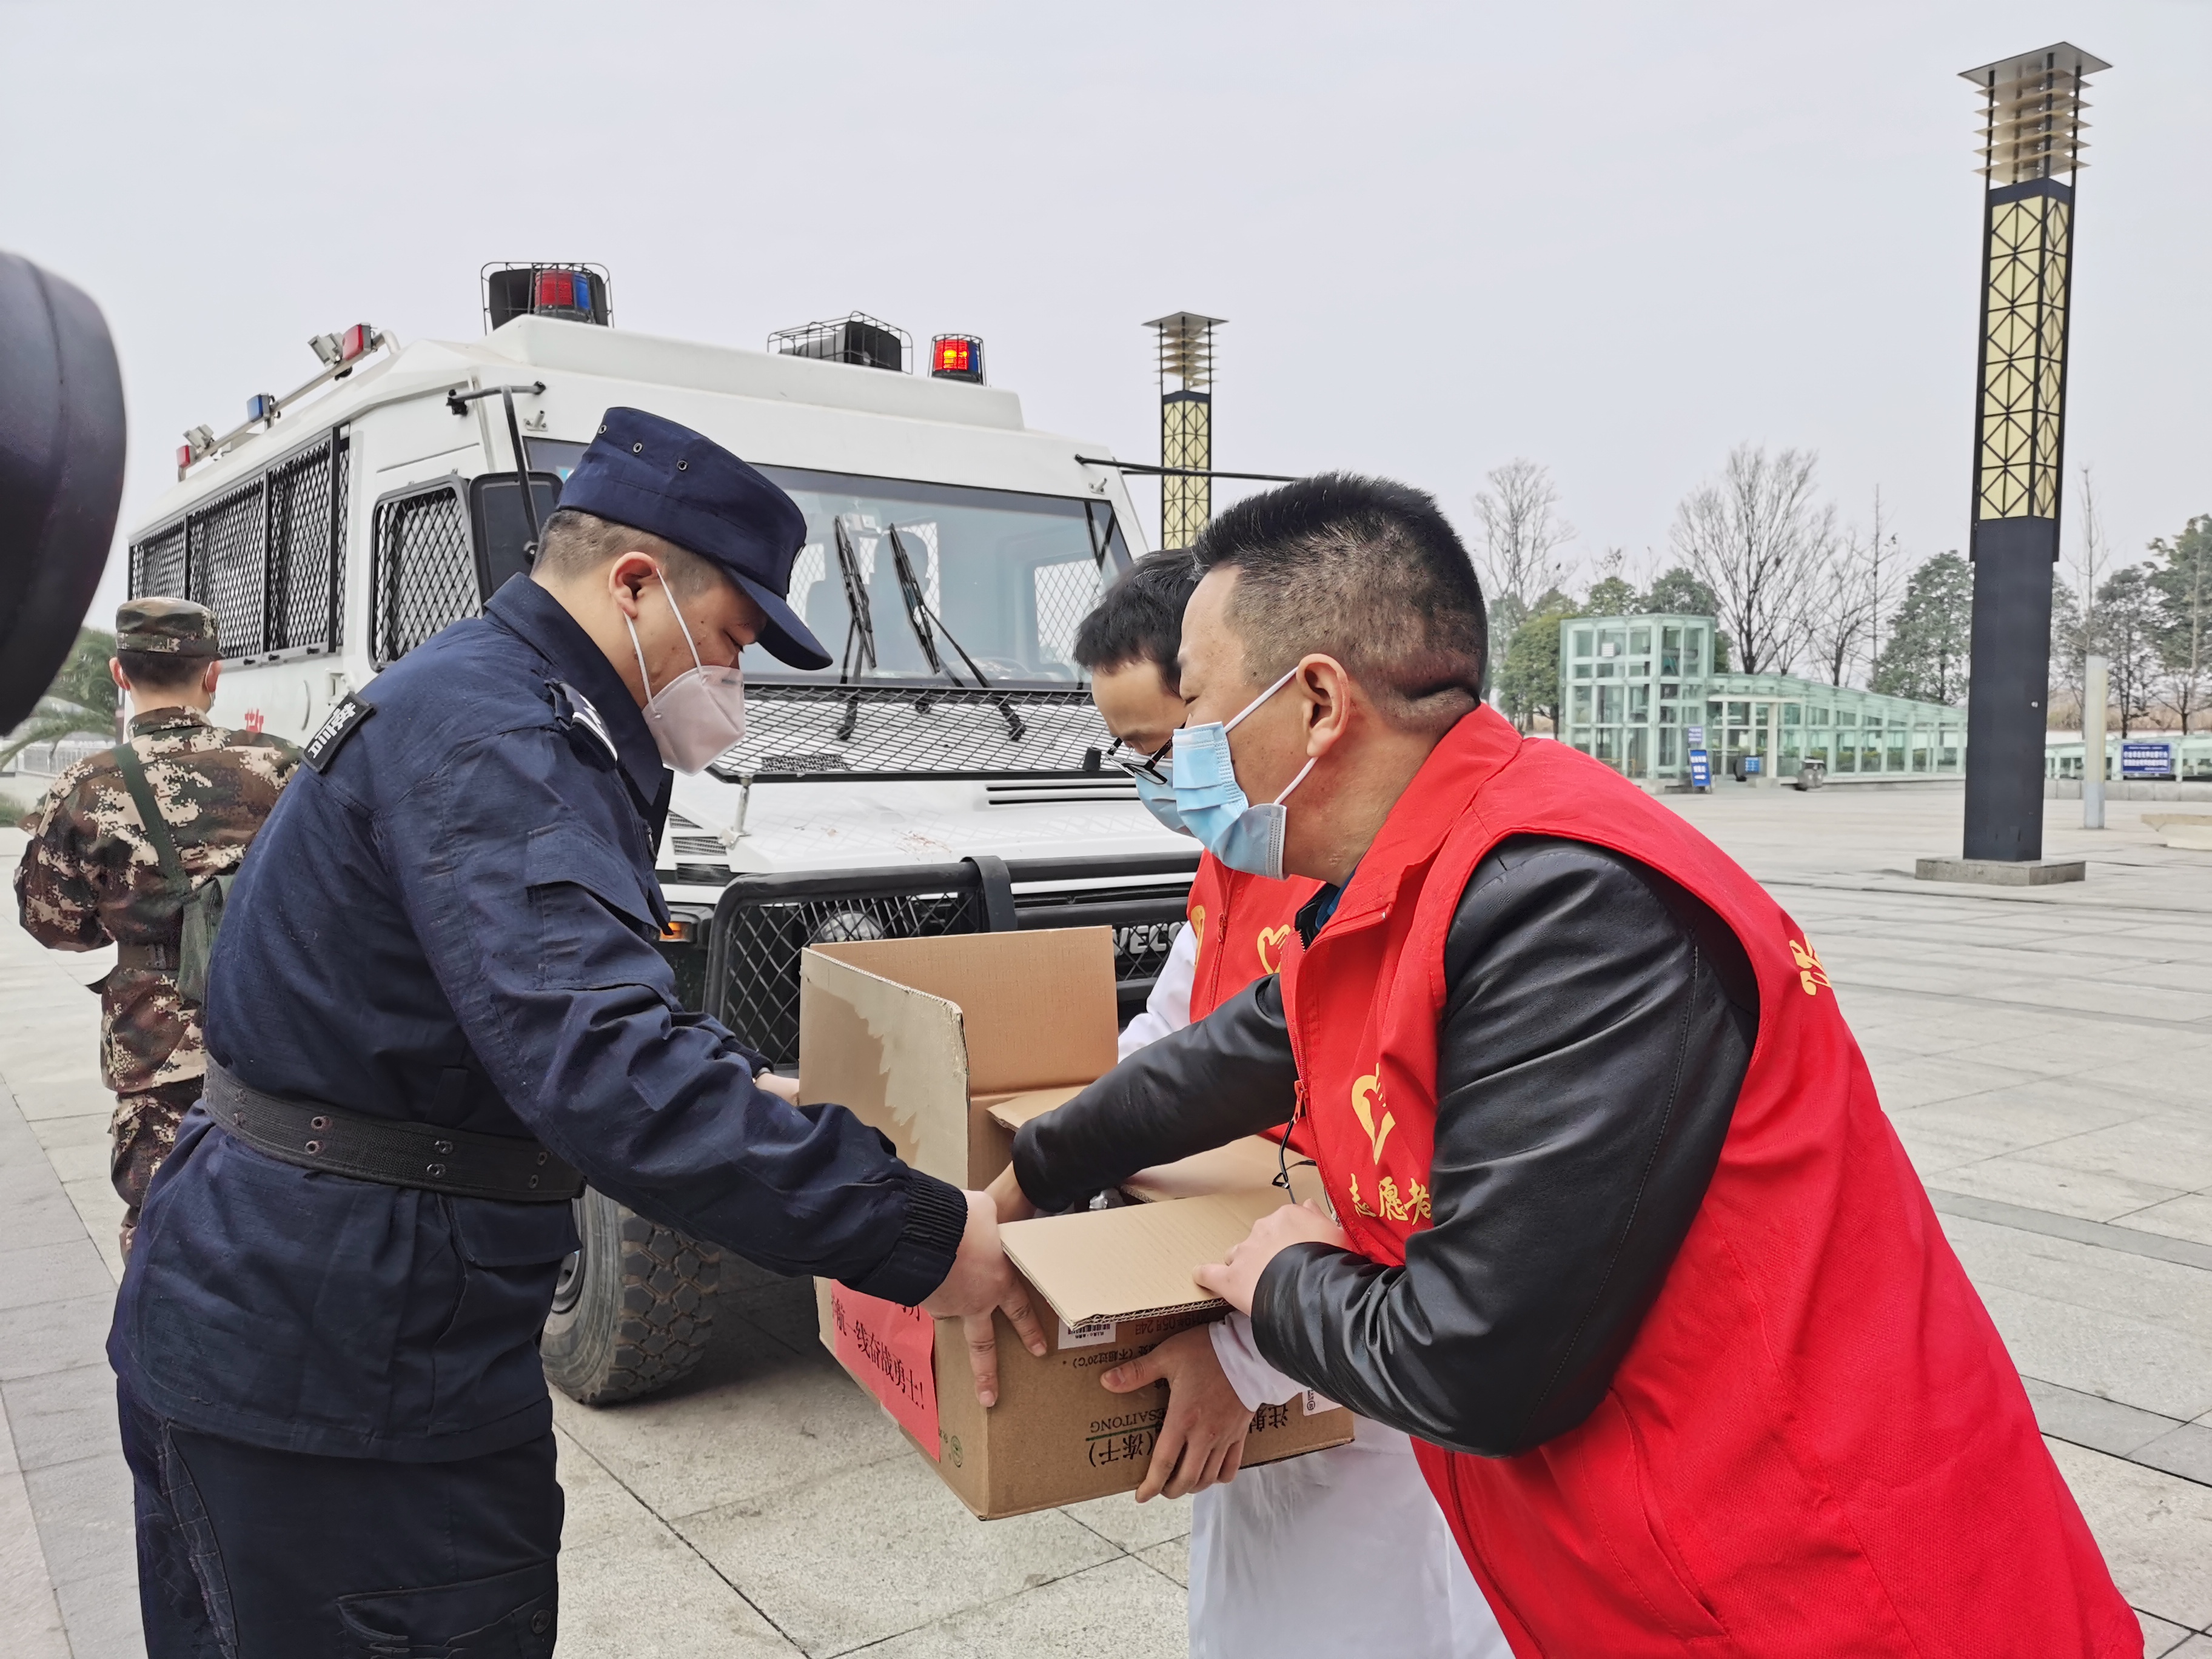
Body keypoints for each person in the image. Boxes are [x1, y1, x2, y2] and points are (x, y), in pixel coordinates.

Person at [995, 475, 2136, 1657]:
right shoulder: (1416, 885)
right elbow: (1227, 1056)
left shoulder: (1568, 901)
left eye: (1206, 712)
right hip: (1658, 1576)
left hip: (1816, 1588)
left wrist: (1278, 1284)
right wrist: (1030, 1176)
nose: (1189, 755)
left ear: (1319, 701)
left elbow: (1475, 1360)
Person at [109, 409, 1046, 1658]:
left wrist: (748, 1093)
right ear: (639, 586)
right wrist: (926, 1236)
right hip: (337, 1366)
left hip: (323, 1317)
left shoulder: (496, 701)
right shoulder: (507, 737)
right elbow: (606, 1066)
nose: (736, 684)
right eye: (731, 642)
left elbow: (535, 1013)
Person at [1071, 554, 1505, 1659]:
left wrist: (1246, 1359)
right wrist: (1061, 1161)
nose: (1163, 782)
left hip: (1360, 1388)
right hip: (1247, 1316)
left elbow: (1429, 1211)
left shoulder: (1392, 884)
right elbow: (1171, 1043)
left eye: (1171, 747)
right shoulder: (1236, 859)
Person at [14, 597, 300, 1255]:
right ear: (213, 675)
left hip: (155, 1041)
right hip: (280, 1023)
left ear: (120, 673)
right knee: (285, 1204)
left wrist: (134, 927)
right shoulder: (280, 768)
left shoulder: (86, 786)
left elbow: (52, 923)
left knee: (162, 1213)